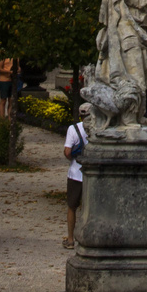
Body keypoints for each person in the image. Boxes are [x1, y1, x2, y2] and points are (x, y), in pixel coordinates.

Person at [63, 102, 92, 247]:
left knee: (72, 206)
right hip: (93, 173)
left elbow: (67, 152)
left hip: (75, 172)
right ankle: (88, 238)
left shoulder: (73, 129)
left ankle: (70, 239)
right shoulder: (98, 129)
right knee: (90, 208)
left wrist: (73, 159)